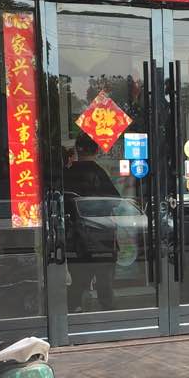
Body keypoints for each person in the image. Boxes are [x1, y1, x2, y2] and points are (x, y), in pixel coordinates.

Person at [63, 131, 120, 312]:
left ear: (77, 151)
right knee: (105, 280)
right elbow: (115, 201)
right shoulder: (98, 173)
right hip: (101, 235)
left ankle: (74, 310)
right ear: (96, 151)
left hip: (75, 236)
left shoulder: (67, 174)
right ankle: (107, 312)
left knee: (78, 279)